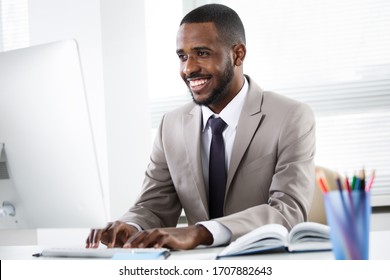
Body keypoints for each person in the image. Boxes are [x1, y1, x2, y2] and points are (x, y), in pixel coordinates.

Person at [86, 3, 316, 250]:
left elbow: (287, 213)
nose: (188, 68)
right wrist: (130, 226)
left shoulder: (290, 117)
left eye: (202, 53)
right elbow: (154, 205)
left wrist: (200, 232)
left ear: (238, 54)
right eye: (183, 56)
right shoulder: (170, 126)